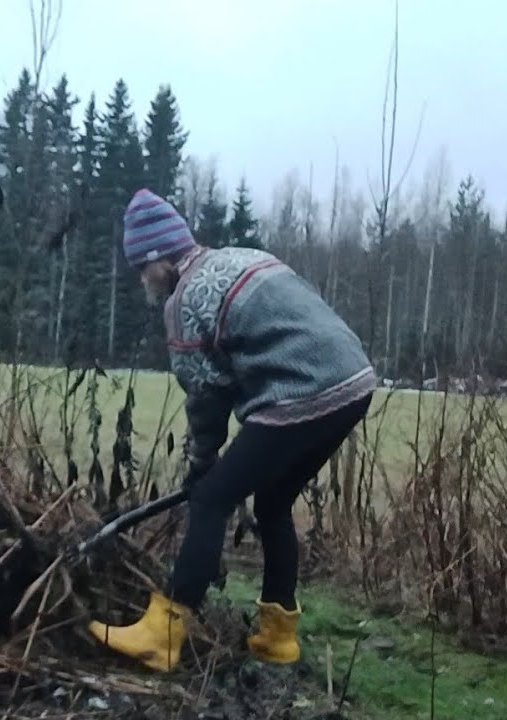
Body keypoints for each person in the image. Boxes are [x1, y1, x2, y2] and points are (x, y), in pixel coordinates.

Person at [87, 188, 375, 672]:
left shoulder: (185, 300)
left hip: (300, 393)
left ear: (159, 258)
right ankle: (278, 636)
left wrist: (202, 466)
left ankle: (163, 635)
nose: (144, 280)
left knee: (211, 500)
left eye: (142, 268)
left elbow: (205, 397)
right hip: (354, 383)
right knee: (274, 502)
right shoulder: (243, 257)